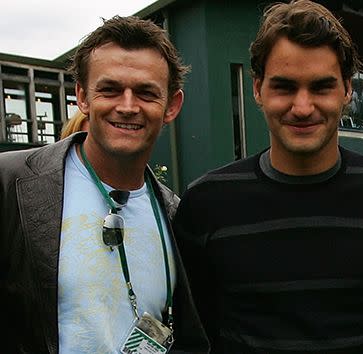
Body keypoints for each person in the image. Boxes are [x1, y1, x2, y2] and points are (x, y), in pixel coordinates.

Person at [173, 1, 363, 353]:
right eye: (284, 87)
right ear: (257, 89)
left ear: (347, 90)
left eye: (321, 87)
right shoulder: (206, 203)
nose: (302, 107)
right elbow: (193, 338)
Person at [0, 16, 209, 353]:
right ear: (82, 97)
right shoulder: (12, 185)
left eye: (145, 93)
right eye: (110, 89)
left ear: (172, 106)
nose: (127, 107)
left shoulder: (177, 216)